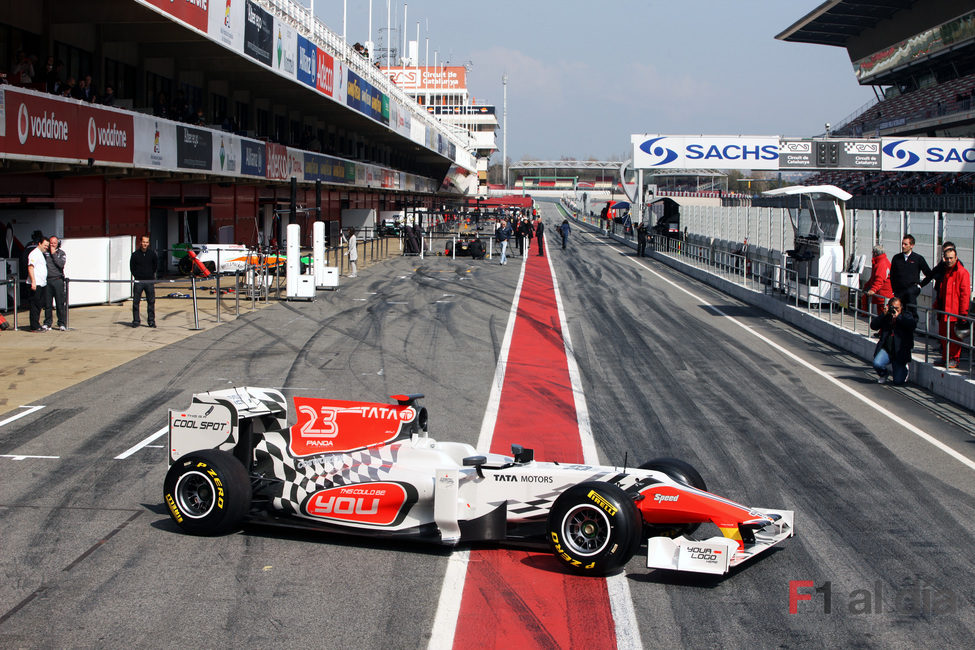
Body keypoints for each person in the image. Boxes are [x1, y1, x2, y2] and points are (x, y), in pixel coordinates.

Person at [934, 247, 970, 368]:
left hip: (955, 313)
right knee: (944, 336)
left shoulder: (962, 273)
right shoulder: (946, 272)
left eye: (951, 258)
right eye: (947, 258)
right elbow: (942, 292)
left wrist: (963, 314)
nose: (949, 260)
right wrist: (937, 305)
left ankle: (954, 358)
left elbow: (965, 295)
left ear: (956, 258)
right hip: (945, 311)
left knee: (954, 338)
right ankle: (946, 358)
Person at [870, 297, 915, 385]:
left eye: (897, 308)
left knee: (898, 382)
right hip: (887, 349)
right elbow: (873, 326)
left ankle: (904, 367)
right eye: (892, 308)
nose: (894, 310)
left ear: (901, 307)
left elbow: (912, 325)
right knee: (877, 364)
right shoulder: (886, 316)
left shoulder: (906, 315)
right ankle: (884, 374)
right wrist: (883, 314)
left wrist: (898, 316)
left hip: (900, 351)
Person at [889, 234, 931, 320]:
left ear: (912, 245)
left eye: (906, 244)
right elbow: (892, 275)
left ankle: (912, 327)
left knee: (911, 312)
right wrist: (894, 290)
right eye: (902, 244)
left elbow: (929, 274)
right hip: (899, 292)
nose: (903, 246)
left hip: (911, 291)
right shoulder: (896, 258)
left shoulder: (918, 258)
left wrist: (920, 285)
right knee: (897, 313)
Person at [129, 235, 158, 327]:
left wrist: (150, 275)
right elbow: (132, 268)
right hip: (139, 282)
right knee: (136, 302)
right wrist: (137, 276)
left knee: (151, 302)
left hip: (149, 281)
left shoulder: (152, 254)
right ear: (140, 242)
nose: (145, 244)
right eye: (143, 242)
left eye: (147, 242)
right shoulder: (135, 255)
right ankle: (136, 321)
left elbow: (155, 266)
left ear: (148, 243)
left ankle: (151, 321)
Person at [27, 236, 50, 332]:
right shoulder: (34, 254)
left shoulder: (41, 254)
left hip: (42, 284)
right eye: (45, 245)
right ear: (39, 244)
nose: (46, 247)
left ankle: (36, 324)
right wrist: (33, 282)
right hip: (36, 284)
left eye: (47, 246)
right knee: (35, 305)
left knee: (39, 305)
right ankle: (34, 326)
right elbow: (30, 267)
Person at [863, 245, 893, 318]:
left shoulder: (881, 263)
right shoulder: (881, 262)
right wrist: (867, 286)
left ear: (875, 253)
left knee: (883, 315)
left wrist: (873, 289)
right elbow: (874, 278)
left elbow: (879, 279)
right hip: (883, 294)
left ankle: (883, 328)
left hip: (883, 295)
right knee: (882, 315)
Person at [45, 235, 68, 330]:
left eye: (54, 243)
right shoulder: (45, 253)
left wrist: (54, 254)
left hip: (58, 280)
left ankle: (61, 323)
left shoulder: (61, 253)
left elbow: (61, 264)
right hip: (47, 281)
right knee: (47, 304)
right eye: (51, 243)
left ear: (58, 243)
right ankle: (47, 323)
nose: (52, 245)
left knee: (60, 303)